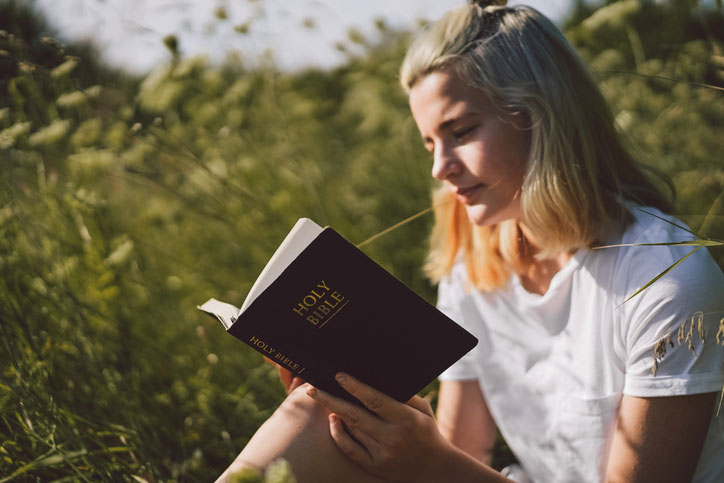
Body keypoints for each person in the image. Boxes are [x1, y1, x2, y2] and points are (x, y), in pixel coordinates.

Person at [219, 1, 724, 481]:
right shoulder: (476, 266)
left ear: (540, 116)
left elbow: (447, 468)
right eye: (430, 143)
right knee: (316, 409)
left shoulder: (666, 280)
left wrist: (433, 463)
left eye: (460, 131)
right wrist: (382, 415)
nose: (440, 168)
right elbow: (462, 450)